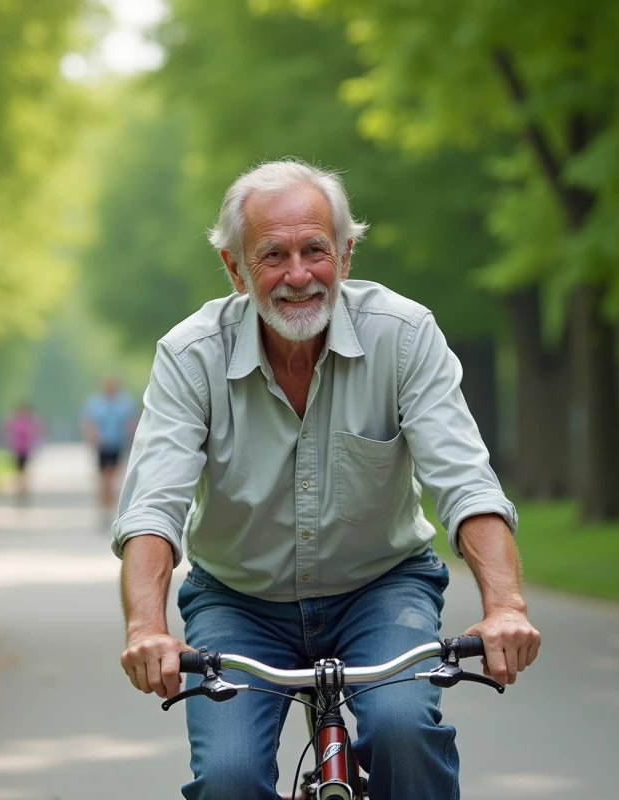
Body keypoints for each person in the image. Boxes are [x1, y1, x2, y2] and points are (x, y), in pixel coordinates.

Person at [112, 160, 541, 799]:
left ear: (344, 254)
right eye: (273, 255)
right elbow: (154, 505)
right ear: (234, 269)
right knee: (227, 779)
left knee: (403, 731)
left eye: (315, 250)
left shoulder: (404, 334)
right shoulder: (190, 353)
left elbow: (465, 483)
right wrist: (146, 627)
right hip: (238, 600)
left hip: (381, 587)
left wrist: (505, 607)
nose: (298, 275)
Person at [81, 375, 137, 522]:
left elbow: (131, 422)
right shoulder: (95, 403)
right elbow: (89, 423)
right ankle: (103, 509)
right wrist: (92, 438)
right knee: (104, 477)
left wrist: (134, 440)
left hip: (117, 444)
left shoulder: (124, 403)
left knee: (112, 477)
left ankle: (110, 508)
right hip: (102, 445)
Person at [2, 401, 44, 503]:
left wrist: (35, 444)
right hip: (16, 449)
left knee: (25, 469)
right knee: (18, 469)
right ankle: (19, 488)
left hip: (27, 448)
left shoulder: (31, 420)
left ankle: (24, 487)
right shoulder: (13, 420)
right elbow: (6, 431)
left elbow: (38, 431)